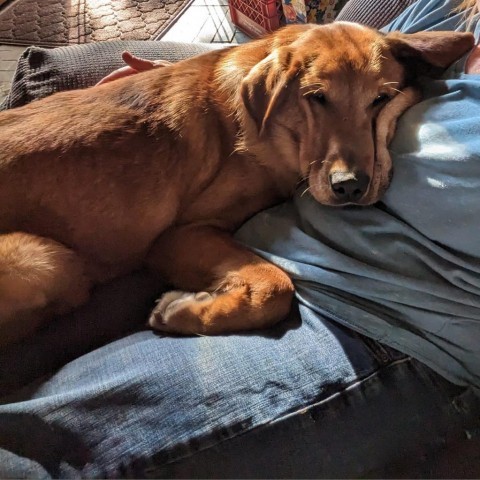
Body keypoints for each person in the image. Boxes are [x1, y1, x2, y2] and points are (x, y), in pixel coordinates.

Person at [0, 0, 479, 477]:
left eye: (380, 100)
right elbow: (343, 47)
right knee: (56, 70)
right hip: (53, 246)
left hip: (389, 322)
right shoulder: (447, 11)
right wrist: (184, 83)